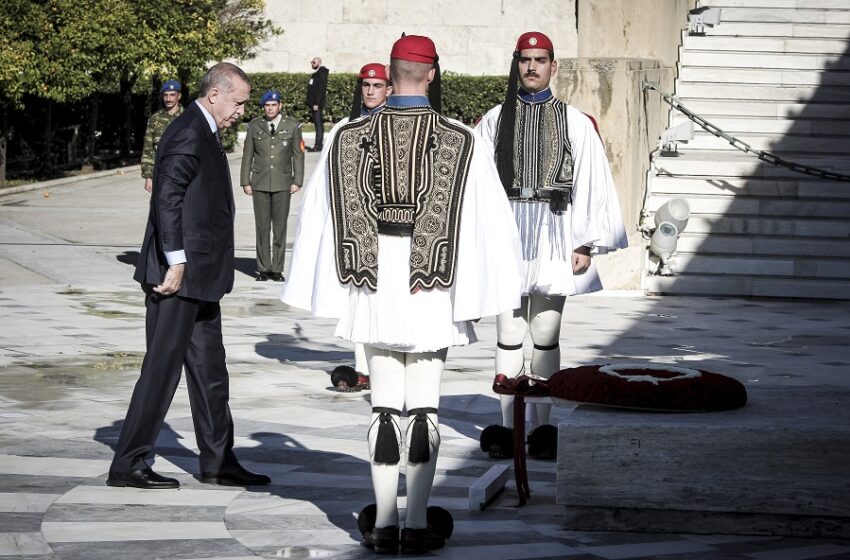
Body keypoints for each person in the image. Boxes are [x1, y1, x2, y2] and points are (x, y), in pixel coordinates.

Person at [282, 36, 522, 554]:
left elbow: (319, 218)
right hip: (432, 285)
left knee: (384, 407)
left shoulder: (347, 135)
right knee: (424, 408)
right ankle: (416, 523)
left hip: (372, 282)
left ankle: (384, 522)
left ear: (390, 75)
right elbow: (490, 224)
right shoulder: (462, 139)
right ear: (431, 74)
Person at [107, 62, 271, 490]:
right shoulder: (187, 132)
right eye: (238, 102)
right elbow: (167, 199)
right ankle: (128, 463)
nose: (241, 111)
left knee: (211, 371)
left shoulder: (205, 130)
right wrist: (176, 261)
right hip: (177, 277)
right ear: (215, 94)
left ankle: (218, 460)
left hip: (201, 277)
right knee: (161, 370)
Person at [475, 31, 628, 460]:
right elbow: (477, 183)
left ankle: (542, 430)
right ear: (516, 64)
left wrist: (585, 242)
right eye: (525, 59)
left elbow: (591, 181)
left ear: (553, 66)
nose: (531, 67)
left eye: (540, 59)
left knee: (545, 332)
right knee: (508, 333)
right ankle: (508, 430)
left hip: (554, 230)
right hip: (507, 231)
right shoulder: (494, 119)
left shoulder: (575, 121)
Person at [328, 62, 392, 392]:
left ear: (389, 89)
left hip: (390, 225)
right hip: (356, 225)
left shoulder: (396, 124)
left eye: (377, 85)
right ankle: (363, 368)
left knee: (385, 298)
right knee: (358, 297)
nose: (370, 91)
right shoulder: (346, 127)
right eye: (366, 85)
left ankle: (387, 363)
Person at [240, 90, 305, 282]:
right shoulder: (255, 126)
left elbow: (298, 155)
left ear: (280, 105)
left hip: (282, 182)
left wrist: (297, 180)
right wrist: (245, 181)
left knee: (280, 228)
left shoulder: (292, 126)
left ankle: (276, 269)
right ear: (263, 107)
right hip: (259, 182)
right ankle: (263, 268)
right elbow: (247, 155)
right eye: (267, 106)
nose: (270, 109)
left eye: (273, 105)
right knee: (262, 227)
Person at [141, 79, 183, 193]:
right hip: (161, 174)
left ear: (179, 96)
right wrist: (148, 177)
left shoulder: (188, 118)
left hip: (184, 174)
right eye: (165, 95)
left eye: (172, 95)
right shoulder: (155, 119)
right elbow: (148, 149)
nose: (168, 99)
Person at [306, 56, 329, 151]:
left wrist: (316, 103)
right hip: (313, 104)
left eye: (314, 62)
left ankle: (318, 145)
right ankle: (318, 144)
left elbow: (321, 90)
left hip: (316, 105)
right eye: (311, 62)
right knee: (317, 124)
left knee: (318, 124)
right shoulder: (315, 74)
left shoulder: (321, 74)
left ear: (319, 63)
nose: (312, 64)